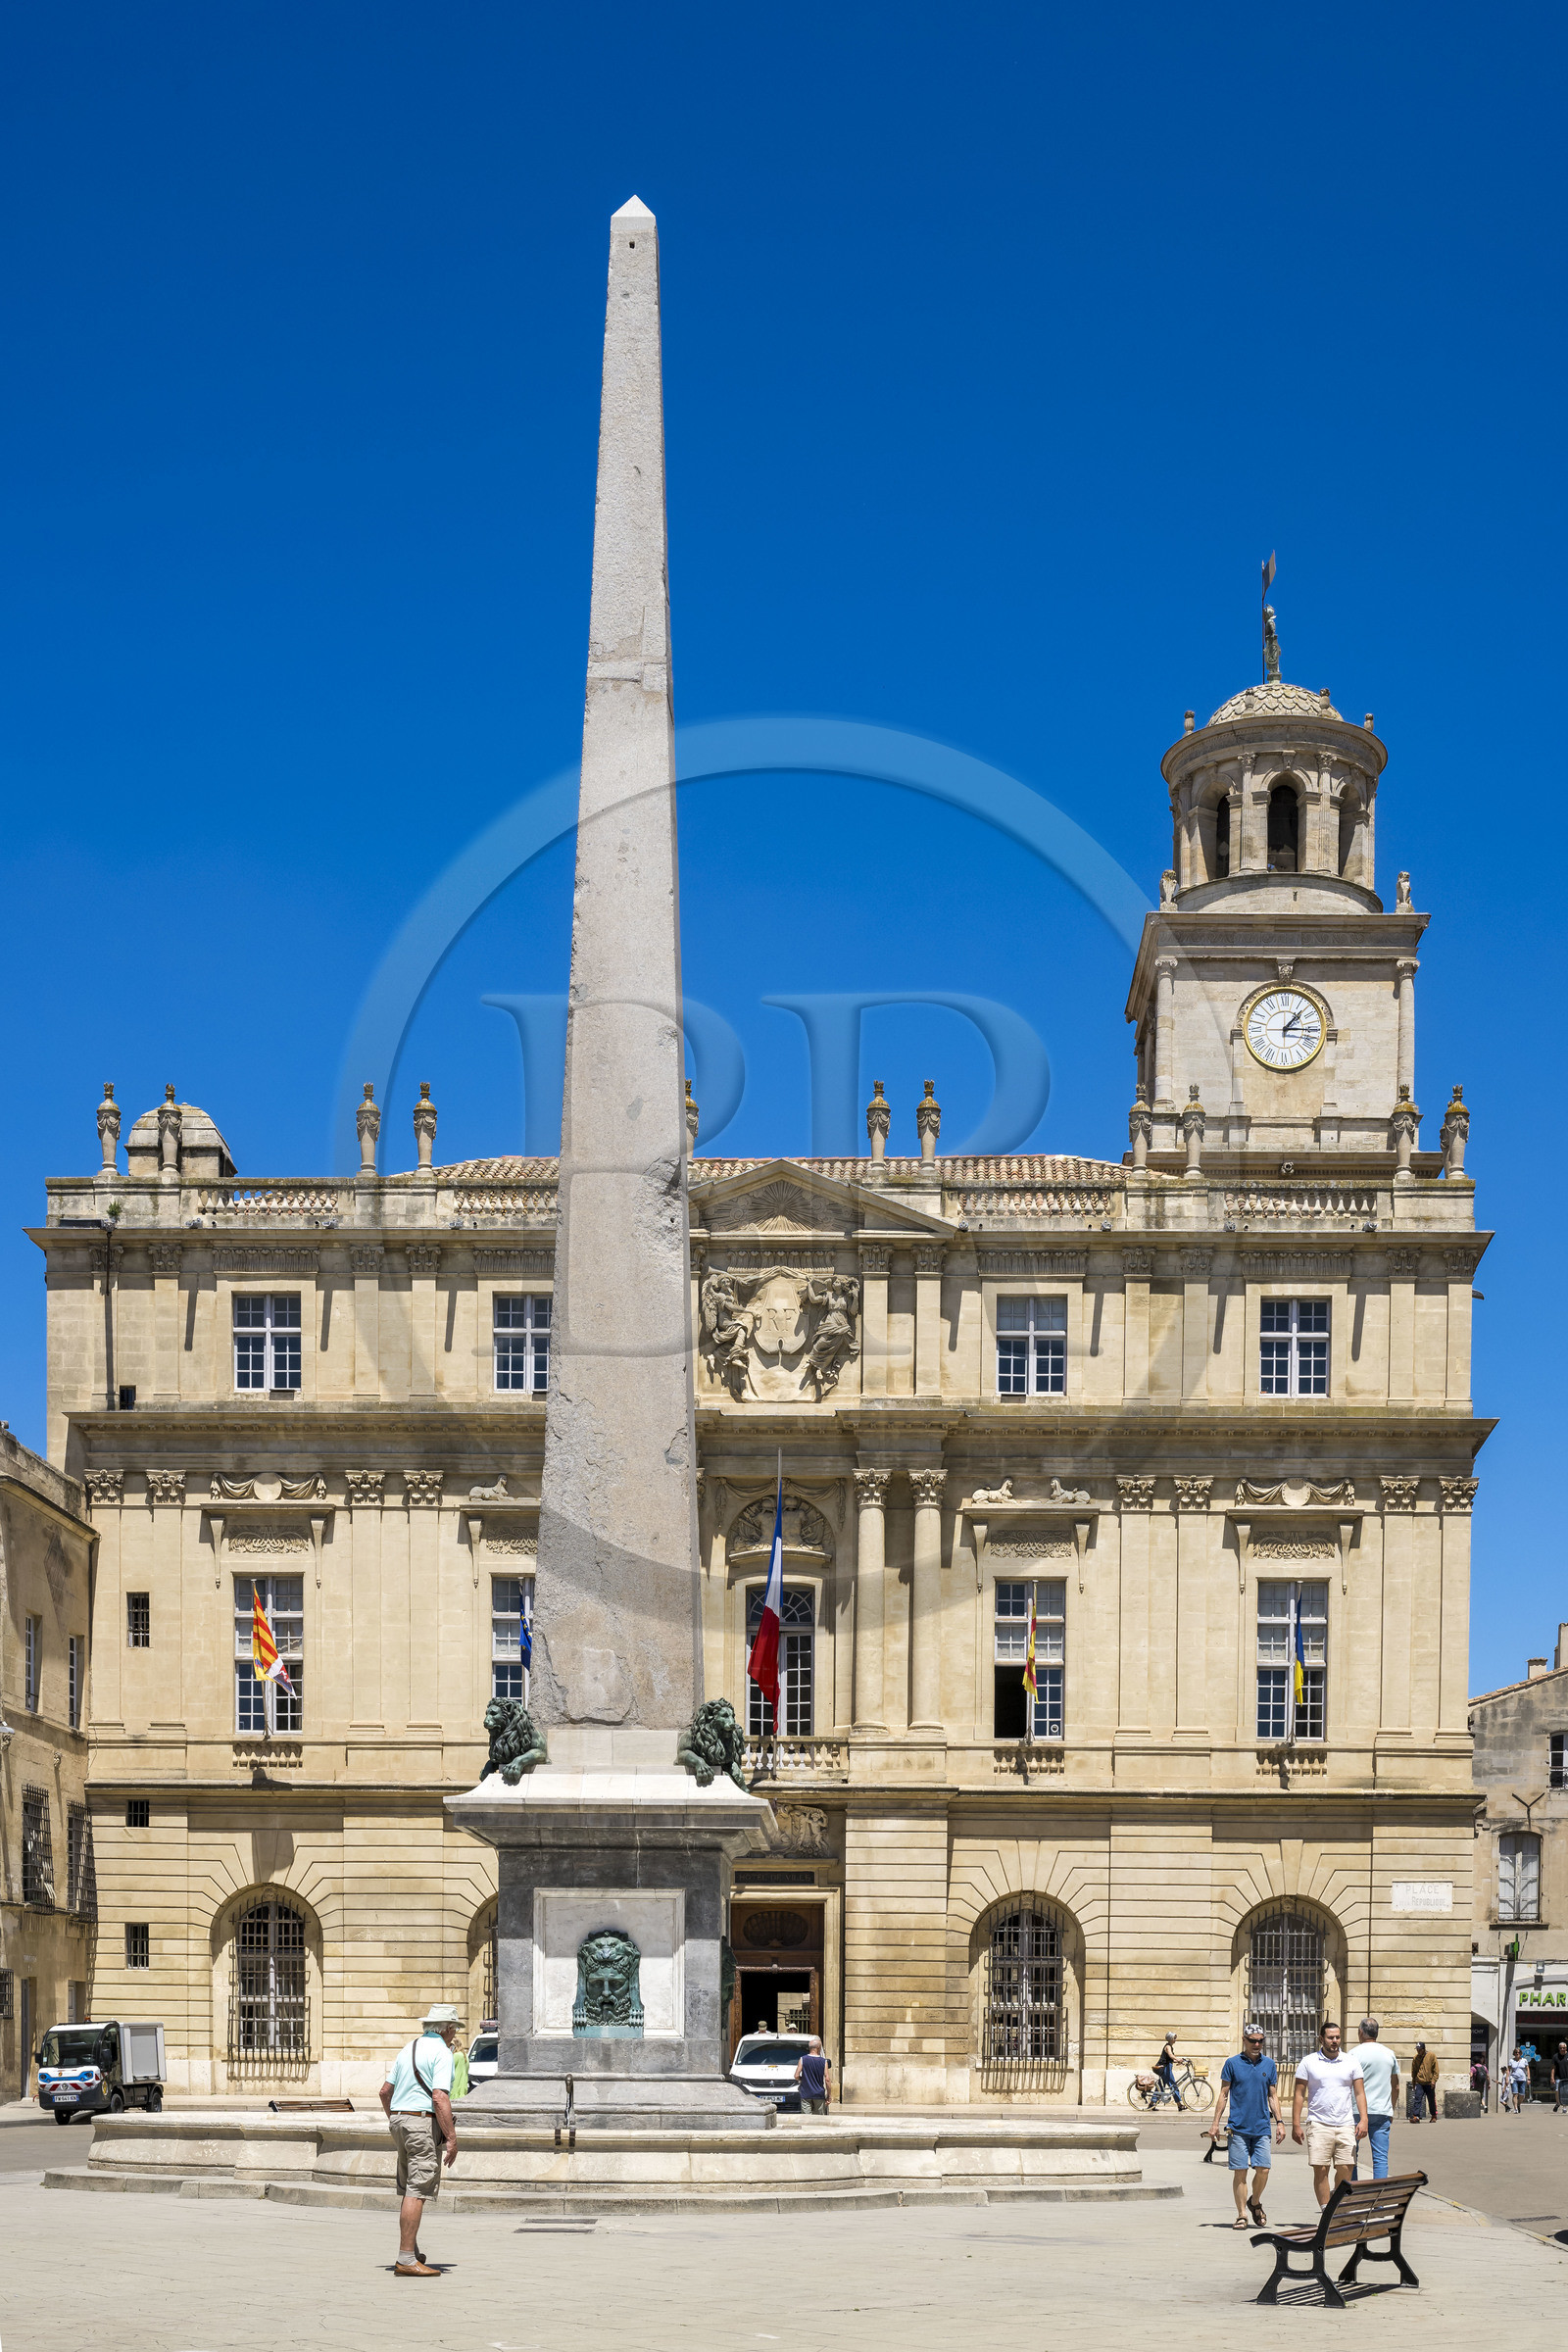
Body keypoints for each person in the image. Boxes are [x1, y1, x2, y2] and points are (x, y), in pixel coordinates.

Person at [378, 2001, 461, 2278]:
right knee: (418, 2188)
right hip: (420, 2122)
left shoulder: (408, 2048)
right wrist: (451, 2138)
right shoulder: (442, 2052)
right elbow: (439, 2096)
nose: (454, 2034)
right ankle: (405, 2259)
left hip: (400, 2121)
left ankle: (411, 2251)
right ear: (448, 2029)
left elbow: (384, 2092)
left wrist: (395, 2119)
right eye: (454, 2029)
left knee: (408, 2187)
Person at [1209, 2022, 1283, 2228]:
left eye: (1260, 2041)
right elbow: (1224, 2094)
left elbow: (1273, 2095)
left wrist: (1280, 2122)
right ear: (1244, 2040)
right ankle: (1242, 2214)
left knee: (1264, 2169)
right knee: (1240, 2171)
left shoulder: (1269, 2064)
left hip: (1261, 2127)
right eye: (1253, 2040)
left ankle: (1255, 2201)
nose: (1257, 2044)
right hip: (1238, 2128)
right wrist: (1215, 2124)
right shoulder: (1232, 2063)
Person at [1292, 2019, 1368, 2208]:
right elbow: (1299, 2094)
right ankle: (1327, 2211)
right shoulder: (1308, 2062)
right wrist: (1296, 2124)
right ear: (1321, 2039)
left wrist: (1364, 2119)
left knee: (1346, 2168)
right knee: (1321, 2169)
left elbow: (1359, 2093)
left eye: (1337, 2037)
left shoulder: (1351, 2062)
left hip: (1345, 2124)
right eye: (1330, 2037)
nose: (1335, 2041)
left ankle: (1335, 2201)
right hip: (1318, 2124)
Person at [1354, 2019, 1400, 2181]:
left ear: (1361, 2032)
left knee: (1352, 2155)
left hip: (1356, 2111)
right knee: (1380, 2158)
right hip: (1381, 2110)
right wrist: (1391, 2109)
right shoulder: (1389, 2054)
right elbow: (1395, 2086)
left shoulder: (1353, 2054)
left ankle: (1352, 2194)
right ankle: (1379, 2199)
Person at [793, 2035, 832, 2115]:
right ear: (818, 2047)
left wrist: (803, 2079)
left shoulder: (802, 2059)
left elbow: (796, 2075)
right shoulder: (824, 2061)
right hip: (819, 2094)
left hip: (806, 2094)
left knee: (806, 2119)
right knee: (819, 2119)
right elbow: (827, 2079)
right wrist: (829, 2095)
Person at [1152, 2031, 1184, 2111]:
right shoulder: (1168, 2047)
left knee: (1160, 2087)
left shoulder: (1169, 2046)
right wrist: (1177, 2059)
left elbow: (1169, 2059)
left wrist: (1179, 2061)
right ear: (1170, 2038)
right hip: (1165, 2068)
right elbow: (1170, 2055)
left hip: (1166, 2067)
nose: (1175, 2040)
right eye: (1174, 2038)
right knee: (1173, 2085)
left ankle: (1152, 2103)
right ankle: (1179, 2105)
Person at [1411, 2040, 1440, 2123]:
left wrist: (1434, 2080)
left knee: (1431, 2100)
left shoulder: (1431, 2056)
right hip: (1419, 2082)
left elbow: (1436, 2070)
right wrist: (1414, 2082)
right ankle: (1416, 2116)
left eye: (1419, 2049)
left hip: (1429, 2082)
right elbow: (1414, 2071)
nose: (1418, 2051)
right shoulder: (1415, 2058)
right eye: (1417, 2049)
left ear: (1423, 2049)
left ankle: (1433, 2115)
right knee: (1417, 2098)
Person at [1507, 2046, 1532, 2117]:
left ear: (1520, 2053)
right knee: (1515, 2094)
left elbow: (1527, 2069)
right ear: (1514, 2053)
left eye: (1518, 2052)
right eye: (1516, 2052)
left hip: (1522, 2079)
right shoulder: (1511, 2061)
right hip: (1514, 2079)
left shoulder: (1524, 2060)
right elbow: (1508, 2070)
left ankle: (1518, 2104)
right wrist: (1507, 2078)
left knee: (1522, 2095)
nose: (1517, 2054)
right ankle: (1515, 2109)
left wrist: (1529, 2078)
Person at [1552, 2041, 1568, 2116]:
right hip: (1558, 2077)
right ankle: (1558, 2103)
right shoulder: (1556, 2056)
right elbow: (1553, 2068)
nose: (1562, 2049)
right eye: (1561, 2048)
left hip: (1567, 2077)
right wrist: (1552, 2077)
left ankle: (1564, 2107)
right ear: (1559, 2048)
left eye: (1564, 2048)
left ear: (1566, 2048)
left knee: (1565, 2092)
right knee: (1557, 2090)